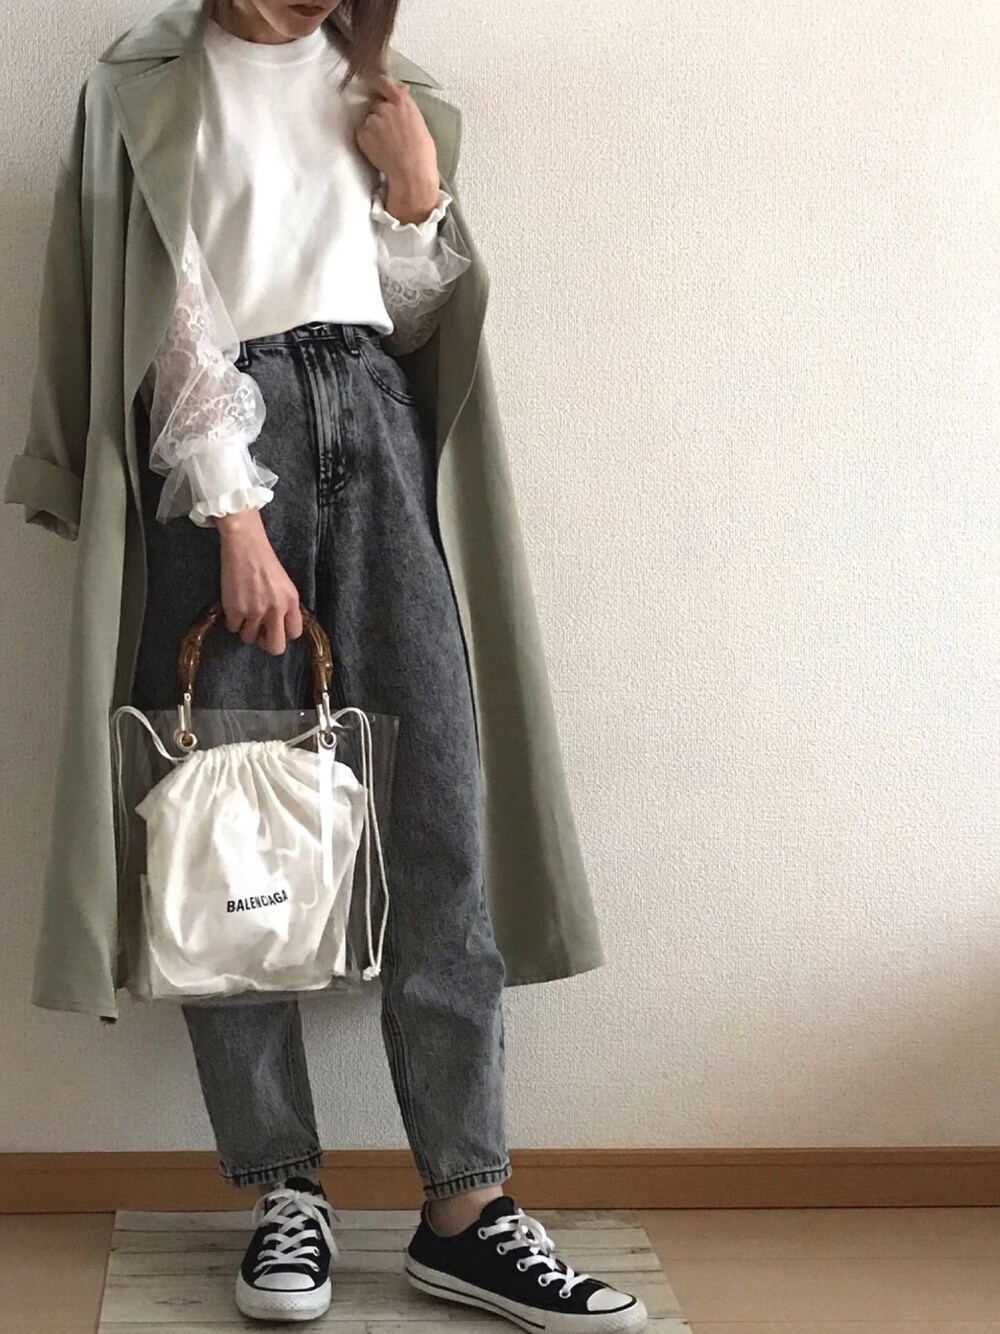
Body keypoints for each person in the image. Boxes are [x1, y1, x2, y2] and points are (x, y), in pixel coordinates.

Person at [6, 0, 645, 1329]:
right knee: (224, 835)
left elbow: (408, 324)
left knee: (437, 813)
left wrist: (416, 201)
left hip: (379, 431)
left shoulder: (388, 85)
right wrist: (234, 516)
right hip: (224, 456)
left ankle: (466, 1207)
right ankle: (282, 1191)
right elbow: (166, 311)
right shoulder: (146, 83)